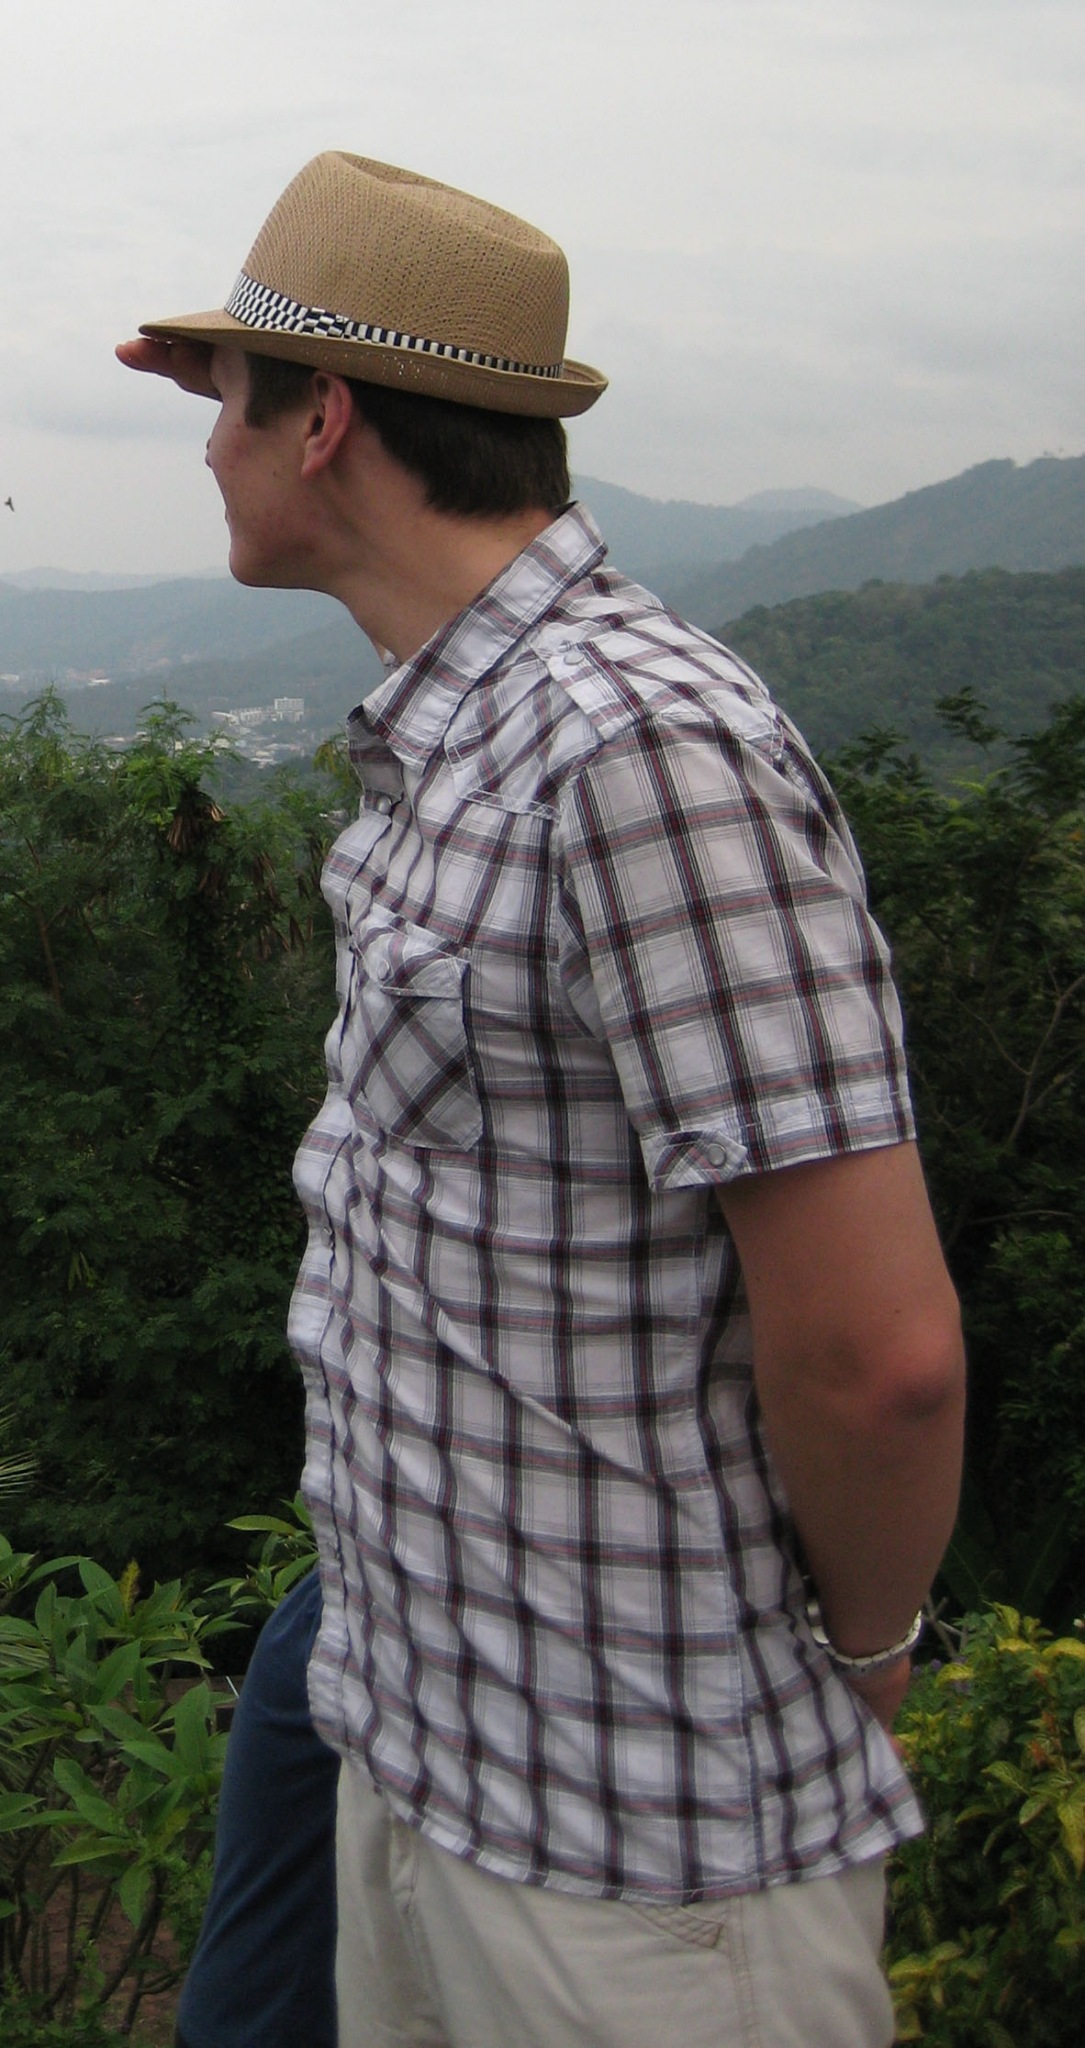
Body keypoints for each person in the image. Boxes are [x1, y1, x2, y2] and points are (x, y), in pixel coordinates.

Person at [119, 150, 965, 2048]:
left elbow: (878, 1354)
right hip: (434, 1753)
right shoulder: (471, 735)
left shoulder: (636, 748)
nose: (207, 450)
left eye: (231, 402)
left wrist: (866, 1658)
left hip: (640, 1853)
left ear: (324, 423)